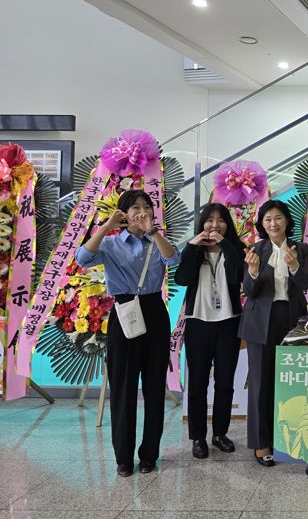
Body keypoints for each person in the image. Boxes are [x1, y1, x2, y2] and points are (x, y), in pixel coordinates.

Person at [75, 189, 179, 477]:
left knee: (155, 386)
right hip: (123, 315)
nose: (142, 211)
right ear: (124, 213)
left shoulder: (157, 241)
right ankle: (123, 456)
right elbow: (82, 258)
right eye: (135, 207)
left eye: (147, 207)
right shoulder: (110, 245)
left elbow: (174, 261)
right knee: (122, 386)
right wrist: (107, 227)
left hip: (155, 313)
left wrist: (154, 232)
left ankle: (149, 455)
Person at [241, 199, 308, 467]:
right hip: (260, 320)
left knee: (292, 380)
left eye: (278, 218)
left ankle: (290, 437)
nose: (273, 223)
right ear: (262, 223)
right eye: (268, 219)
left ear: (287, 221)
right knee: (260, 382)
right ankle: (261, 443)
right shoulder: (255, 250)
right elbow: (250, 291)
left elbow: (305, 283)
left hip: (291, 317)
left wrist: (294, 266)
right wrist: (253, 271)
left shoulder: (300, 248)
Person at [174, 203, 245, 460]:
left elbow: (239, 276)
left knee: (225, 383)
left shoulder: (236, 249)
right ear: (202, 224)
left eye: (221, 220)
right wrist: (193, 246)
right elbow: (181, 279)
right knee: (197, 384)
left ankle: (219, 434)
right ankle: (197, 438)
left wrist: (225, 244)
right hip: (198, 322)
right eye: (209, 220)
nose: (215, 225)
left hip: (229, 322)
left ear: (228, 224)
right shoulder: (193, 250)